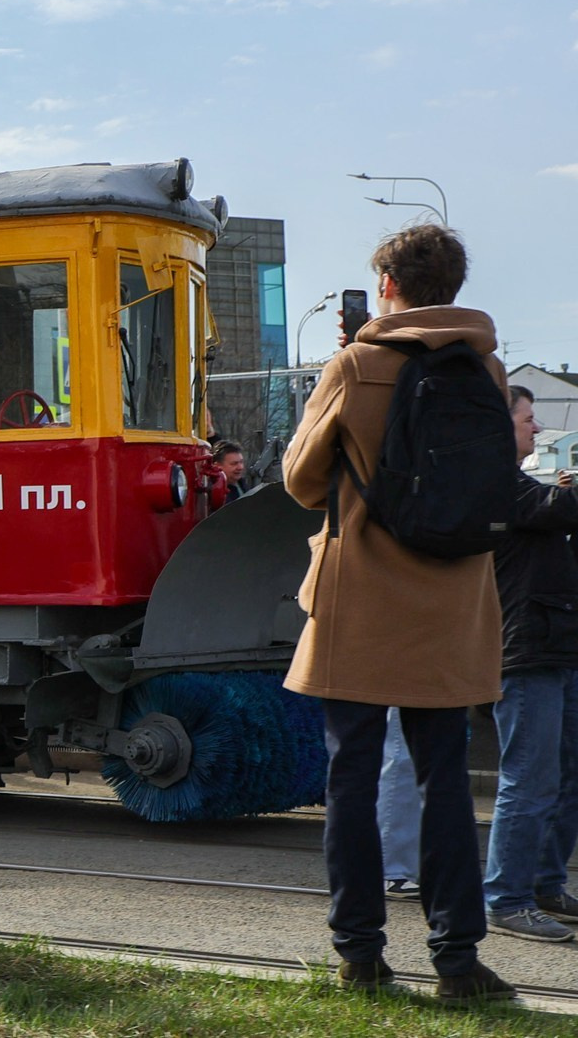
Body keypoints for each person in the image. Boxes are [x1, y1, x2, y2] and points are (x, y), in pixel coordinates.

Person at [285, 222, 514, 1003]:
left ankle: (361, 953)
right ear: (451, 285)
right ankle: (459, 961)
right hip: (454, 599)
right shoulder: (486, 365)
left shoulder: (357, 363)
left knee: (351, 772)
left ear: (387, 285)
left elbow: (301, 479)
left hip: (365, 597)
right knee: (444, 777)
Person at [482, 387, 578, 938]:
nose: (537, 431)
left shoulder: (521, 484)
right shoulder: (495, 483)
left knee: (563, 776)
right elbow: (554, 510)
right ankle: (509, 898)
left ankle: (544, 884)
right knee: (531, 779)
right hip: (526, 650)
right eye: (527, 419)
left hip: (555, 644)